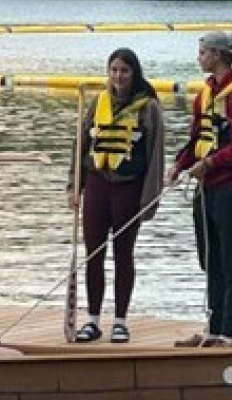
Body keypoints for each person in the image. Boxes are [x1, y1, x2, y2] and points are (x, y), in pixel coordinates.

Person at [167, 31, 232, 348]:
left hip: (230, 188)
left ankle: (226, 333)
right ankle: (212, 326)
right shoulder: (205, 94)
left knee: (231, 260)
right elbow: (197, 140)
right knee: (210, 260)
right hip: (206, 189)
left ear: (218, 55)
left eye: (203, 52)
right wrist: (179, 165)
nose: (199, 58)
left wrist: (209, 164)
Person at [66, 48, 166, 344]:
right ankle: (93, 320)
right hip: (98, 184)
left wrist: (149, 200)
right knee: (93, 254)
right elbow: (80, 145)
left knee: (124, 254)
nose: (118, 76)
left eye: (124, 71)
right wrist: (74, 187)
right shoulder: (97, 102)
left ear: (134, 73)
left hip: (128, 187)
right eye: (113, 70)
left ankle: (120, 321)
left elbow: (155, 157)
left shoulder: (148, 108)